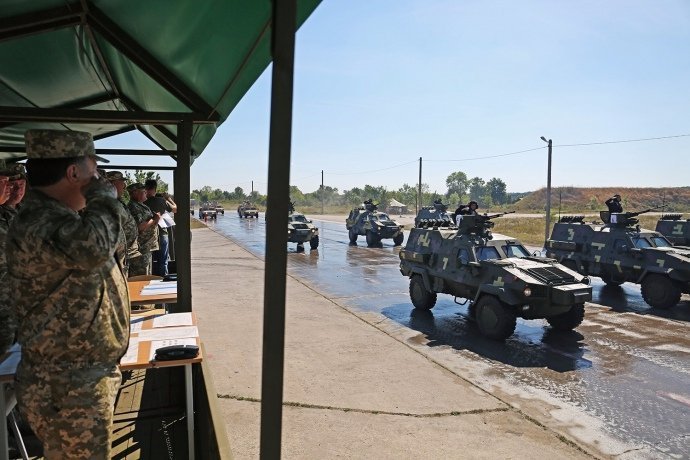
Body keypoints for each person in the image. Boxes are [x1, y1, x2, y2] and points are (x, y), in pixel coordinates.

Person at [4, 129, 131, 458]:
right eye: (94, 169)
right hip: (68, 384)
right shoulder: (39, 222)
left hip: (77, 379)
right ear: (74, 173)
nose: (98, 177)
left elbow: (112, 244)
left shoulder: (59, 219)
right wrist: (104, 197)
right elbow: (94, 248)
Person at [107, 171, 140, 278]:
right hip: (116, 257)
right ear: (113, 184)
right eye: (121, 182)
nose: (124, 186)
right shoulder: (107, 203)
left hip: (126, 253)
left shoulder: (118, 202)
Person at [143, 179, 176, 276]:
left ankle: (150, 278)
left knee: (149, 261)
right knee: (163, 261)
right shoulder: (161, 201)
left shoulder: (142, 202)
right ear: (155, 189)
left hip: (146, 235)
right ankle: (163, 278)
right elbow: (175, 209)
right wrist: (167, 198)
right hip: (162, 233)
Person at [127, 182, 160, 276]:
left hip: (147, 247)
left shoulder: (141, 205)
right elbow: (139, 227)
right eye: (143, 191)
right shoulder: (133, 207)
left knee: (147, 275)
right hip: (141, 248)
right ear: (135, 193)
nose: (146, 192)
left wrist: (155, 220)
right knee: (142, 276)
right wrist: (154, 219)